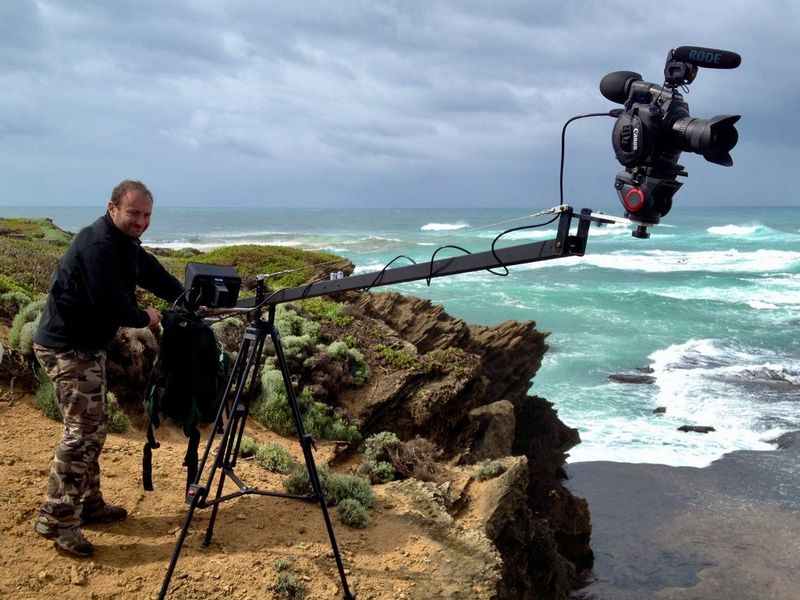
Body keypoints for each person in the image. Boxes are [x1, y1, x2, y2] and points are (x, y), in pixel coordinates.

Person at [32, 180, 185, 557]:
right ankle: (56, 518)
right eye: (134, 213)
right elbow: (113, 308)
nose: (141, 222)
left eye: (147, 215)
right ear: (113, 208)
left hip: (86, 345)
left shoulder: (124, 244)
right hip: (66, 346)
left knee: (93, 428)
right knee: (82, 432)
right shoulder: (99, 246)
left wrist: (187, 297)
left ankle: (88, 504)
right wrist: (146, 317)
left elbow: (152, 274)